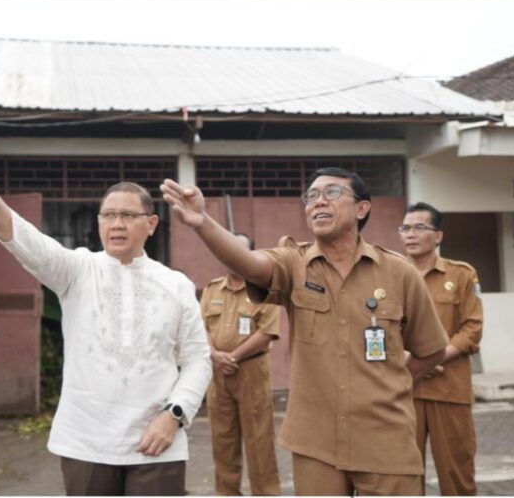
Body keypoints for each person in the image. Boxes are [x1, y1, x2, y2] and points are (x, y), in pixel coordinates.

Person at [161, 167, 449, 496]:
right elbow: (248, 263)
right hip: (315, 441)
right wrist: (203, 223)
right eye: (311, 196)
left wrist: (391, 386)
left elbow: (431, 350)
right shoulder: (293, 264)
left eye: (332, 193)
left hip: (385, 437)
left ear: (362, 208)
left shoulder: (399, 273)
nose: (318, 202)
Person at [0, 154, 212, 496]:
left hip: (158, 442)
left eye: (128, 215)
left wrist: (174, 415)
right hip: (87, 441)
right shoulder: (77, 270)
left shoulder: (176, 284)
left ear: (151, 224)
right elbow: (35, 248)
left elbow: (197, 359)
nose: (117, 224)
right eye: (108, 215)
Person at [399, 202, 483, 496]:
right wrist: (406, 359)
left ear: (438, 236)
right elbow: (375, 329)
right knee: (403, 473)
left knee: (456, 470)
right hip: (402, 389)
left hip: (449, 388)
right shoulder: (389, 274)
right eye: (405, 228)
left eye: (419, 227)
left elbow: (472, 328)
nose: (410, 234)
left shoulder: (462, 275)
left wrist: (432, 357)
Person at [201, 232, 281, 496]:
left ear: (250, 255)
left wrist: (233, 356)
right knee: (222, 441)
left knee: (259, 442)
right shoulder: (212, 289)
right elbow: (201, 327)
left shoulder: (264, 290)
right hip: (218, 373)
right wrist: (215, 355)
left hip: (251, 372)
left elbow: (267, 331)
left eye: (238, 250)